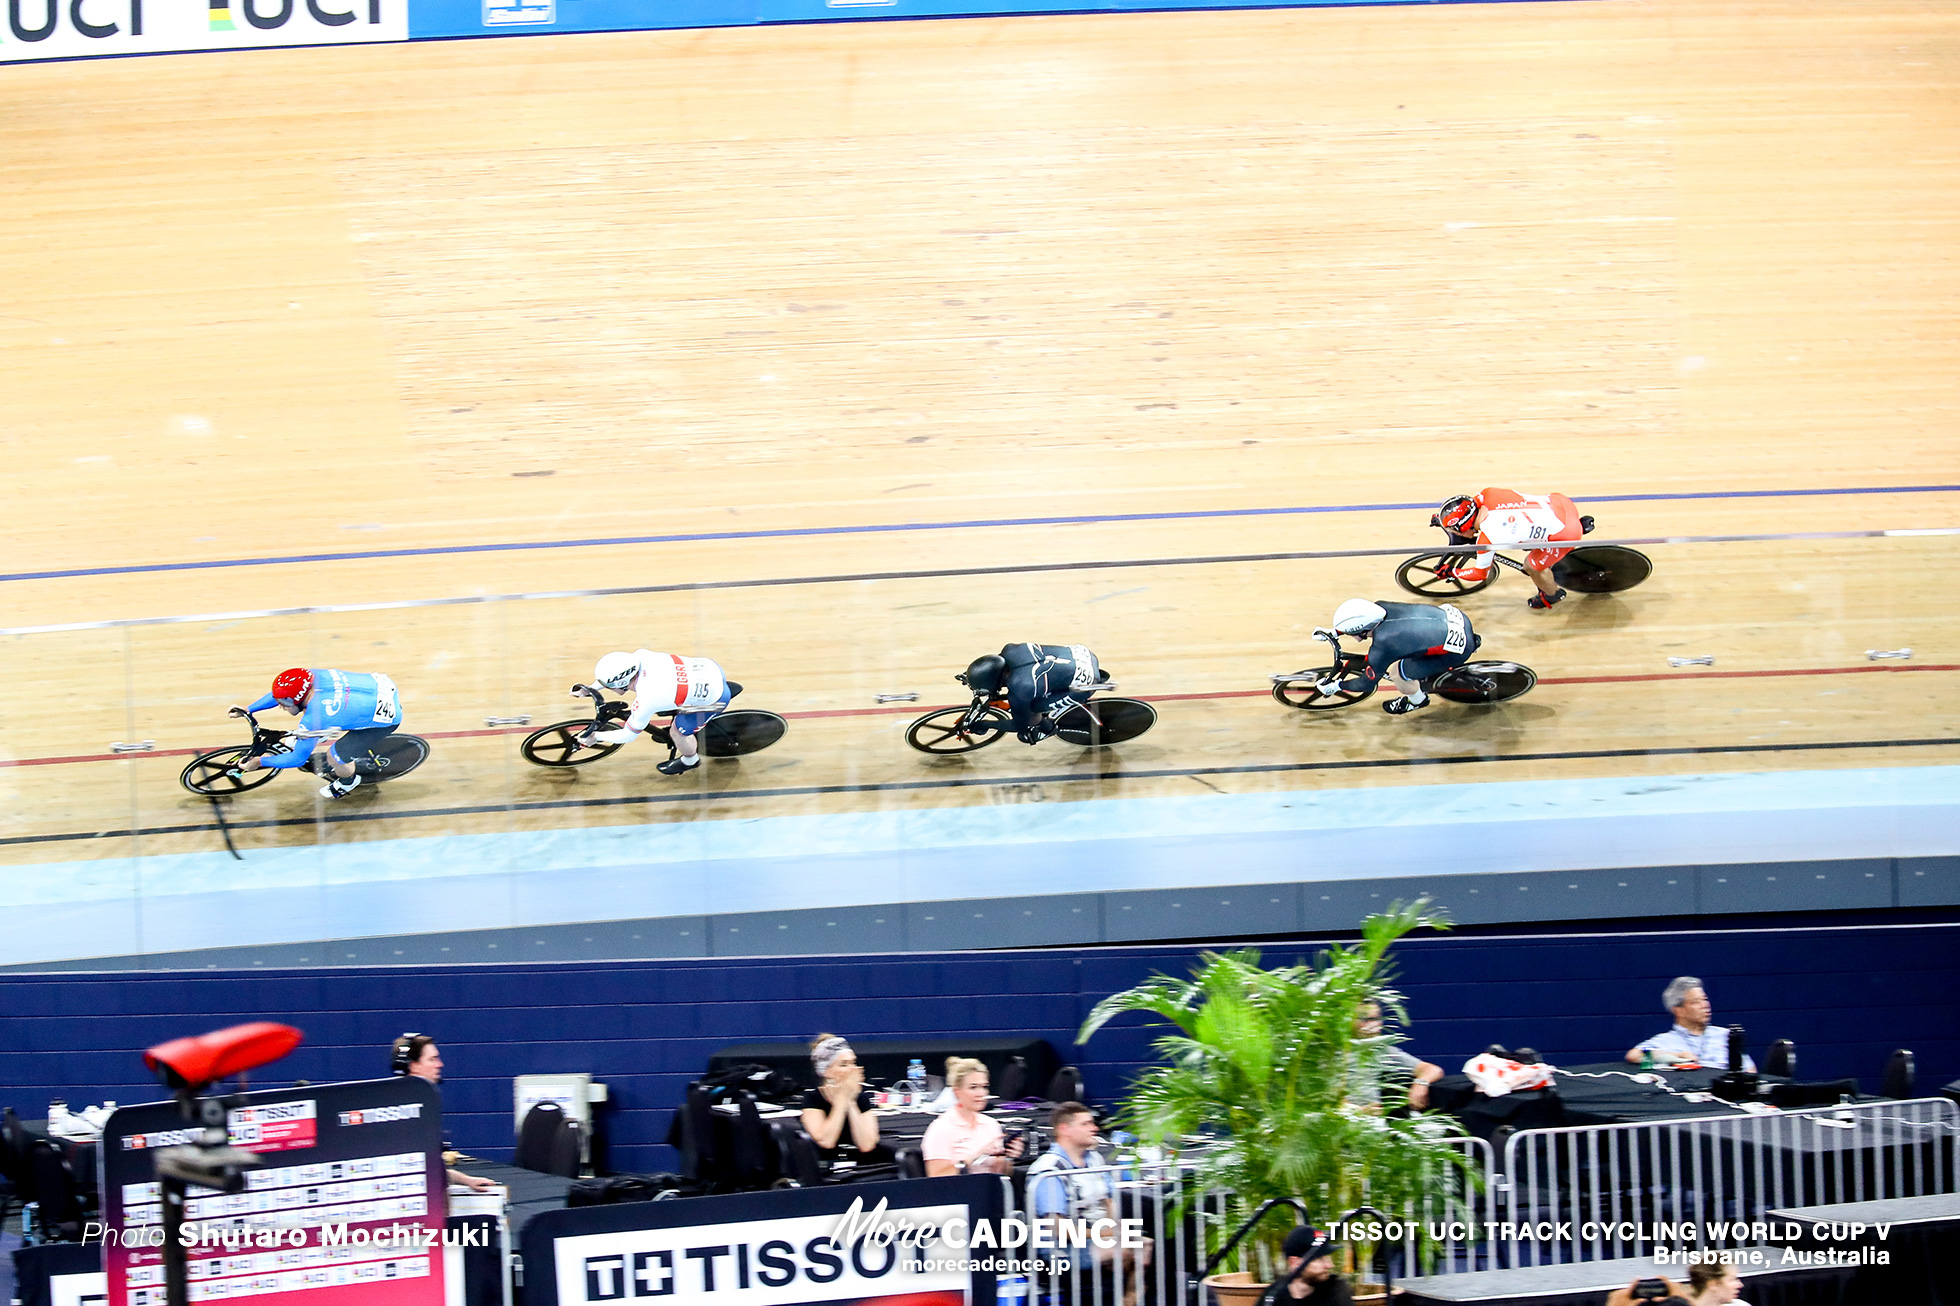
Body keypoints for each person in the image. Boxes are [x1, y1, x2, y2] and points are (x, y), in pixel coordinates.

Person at [1026, 1102, 1153, 1297]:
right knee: (1124, 1250)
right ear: (1064, 1129)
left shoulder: (1094, 1160)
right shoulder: (1049, 1170)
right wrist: (1105, 1233)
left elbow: (1109, 1201)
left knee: (1145, 1244)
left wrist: (1114, 1229)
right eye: (1085, 1124)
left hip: (1098, 1237)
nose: (1094, 1128)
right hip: (1062, 1248)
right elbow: (1058, 1228)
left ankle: (1128, 1299)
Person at [229, 667, 402, 800]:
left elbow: (297, 759)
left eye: (284, 703)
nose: (281, 705)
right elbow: (283, 694)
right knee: (313, 729)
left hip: (383, 720)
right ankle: (324, 732)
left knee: (334, 757)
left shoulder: (314, 717)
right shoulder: (310, 676)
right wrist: (249, 709)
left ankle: (348, 782)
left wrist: (259, 762)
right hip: (378, 689)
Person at [582, 650, 736, 776]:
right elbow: (614, 677)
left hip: (715, 698)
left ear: (621, 683)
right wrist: (590, 688)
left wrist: (597, 737)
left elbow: (628, 735)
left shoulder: (648, 699)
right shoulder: (640, 655)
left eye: (608, 686)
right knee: (670, 700)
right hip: (709, 668)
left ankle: (690, 760)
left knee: (677, 732)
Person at [1433, 488, 1592, 609]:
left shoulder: (1489, 538)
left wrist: (1453, 572)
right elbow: (1467, 507)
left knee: (1531, 566)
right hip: (1560, 503)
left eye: (1454, 530)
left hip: (1565, 532)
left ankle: (1552, 595)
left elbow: (1480, 574)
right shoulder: (1487, 494)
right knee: (1523, 538)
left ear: (1464, 527)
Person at [1318, 599, 1477, 716]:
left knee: (1398, 674)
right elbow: (1359, 620)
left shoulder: (1385, 644)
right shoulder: (1380, 607)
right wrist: (1335, 631)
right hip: (1456, 619)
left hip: (1458, 650)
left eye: (1352, 634)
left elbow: (1366, 683)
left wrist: (1337, 686)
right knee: (1411, 647)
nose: (1354, 638)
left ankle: (1417, 701)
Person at [392, 1034, 496, 1193]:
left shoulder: (421, 1106)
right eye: (432, 1059)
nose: (440, 1064)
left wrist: (467, 1180)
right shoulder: (402, 1112)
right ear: (414, 1066)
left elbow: (429, 1171)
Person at [958, 642, 1107, 745]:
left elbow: (1019, 725)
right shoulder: (1009, 650)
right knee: (1037, 689)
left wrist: (985, 724)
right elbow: (992, 664)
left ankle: (1047, 729)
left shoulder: (1020, 689)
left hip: (1085, 685)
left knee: (1032, 711)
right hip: (1084, 654)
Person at [1624, 977, 1756, 1071]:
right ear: (1678, 1010)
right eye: (1696, 1002)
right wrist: (1678, 1056)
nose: (1705, 1006)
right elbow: (1634, 1055)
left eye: (1705, 999)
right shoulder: (1665, 1041)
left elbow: (1749, 1070)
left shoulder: (1725, 1035)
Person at [921, 1058, 1024, 1176]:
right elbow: (936, 1177)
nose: (981, 1093)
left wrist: (1008, 1158)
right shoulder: (941, 1129)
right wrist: (975, 1156)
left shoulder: (991, 1125)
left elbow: (1002, 1174)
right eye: (973, 1087)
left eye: (984, 1087)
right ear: (957, 1092)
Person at [798, 1034, 886, 1164]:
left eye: (853, 1063)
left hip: (860, 1167)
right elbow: (826, 1141)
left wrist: (850, 1102)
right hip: (826, 1168)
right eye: (844, 1064)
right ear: (826, 1071)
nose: (852, 1069)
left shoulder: (861, 1099)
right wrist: (841, 1100)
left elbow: (867, 1144)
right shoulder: (813, 1099)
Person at [1350, 1002, 1444, 1110]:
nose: (1375, 1024)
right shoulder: (1331, 1054)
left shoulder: (1381, 1050)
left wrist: (1420, 1084)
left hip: (1374, 1119)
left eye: (1378, 1018)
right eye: (1366, 1019)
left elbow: (1432, 1069)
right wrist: (1359, 1112)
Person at [1266, 1225, 1353, 1305]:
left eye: (1328, 1258)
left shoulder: (1335, 1289)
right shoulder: (1274, 1295)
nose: (1329, 1265)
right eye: (1320, 1259)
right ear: (1295, 1263)